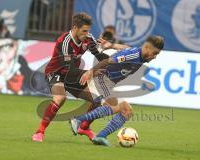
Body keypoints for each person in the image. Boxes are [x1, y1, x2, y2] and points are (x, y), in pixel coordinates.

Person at [70, 35, 164, 146]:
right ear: (147, 47)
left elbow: (125, 47)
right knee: (114, 106)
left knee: (127, 111)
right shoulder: (133, 54)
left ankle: (100, 136)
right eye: (155, 53)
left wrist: (112, 45)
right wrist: (90, 71)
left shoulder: (138, 54)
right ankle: (78, 120)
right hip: (102, 78)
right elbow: (108, 60)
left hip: (108, 83)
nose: (155, 57)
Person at [31, 12, 109, 142]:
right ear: (75, 28)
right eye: (84, 31)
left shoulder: (88, 38)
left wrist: (109, 50)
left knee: (98, 98)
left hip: (73, 74)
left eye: (88, 31)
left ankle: (84, 127)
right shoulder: (64, 42)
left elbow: (101, 57)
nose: (86, 34)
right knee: (60, 98)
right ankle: (40, 132)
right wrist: (90, 72)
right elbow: (69, 69)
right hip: (56, 73)